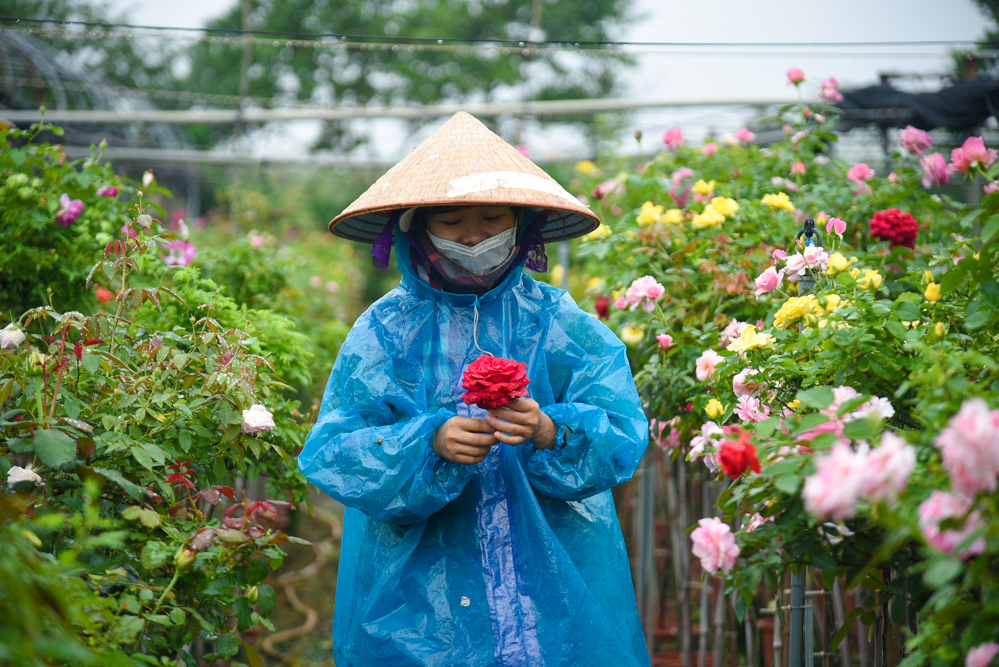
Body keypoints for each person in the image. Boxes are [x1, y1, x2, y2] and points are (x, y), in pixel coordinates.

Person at [298, 112, 650, 667]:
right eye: (453, 220)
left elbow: (622, 431)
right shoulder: (382, 330)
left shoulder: (558, 320)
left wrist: (548, 429)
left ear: (521, 223)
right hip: (415, 596)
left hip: (554, 579)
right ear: (416, 228)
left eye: (492, 218)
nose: (473, 236)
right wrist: (427, 441)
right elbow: (334, 450)